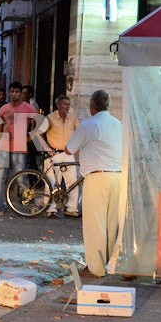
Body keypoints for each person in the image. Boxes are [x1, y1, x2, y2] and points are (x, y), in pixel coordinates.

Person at [65, 90, 123, 277]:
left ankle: (96, 268)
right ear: (108, 106)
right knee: (113, 224)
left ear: (92, 107)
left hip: (97, 178)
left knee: (95, 224)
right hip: (118, 177)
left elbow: (68, 149)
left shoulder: (88, 125)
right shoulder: (118, 125)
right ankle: (112, 265)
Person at [0, 81, 37, 215]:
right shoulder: (3, 109)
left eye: (16, 92)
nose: (14, 94)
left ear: (21, 94)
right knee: (0, 178)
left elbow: (38, 124)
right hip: (3, 147)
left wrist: (30, 137)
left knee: (21, 178)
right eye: (12, 91)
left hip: (19, 148)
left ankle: (32, 204)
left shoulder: (28, 108)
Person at [38, 95, 80, 218]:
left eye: (68, 104)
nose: (67, 107)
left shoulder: (72, 118)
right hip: (54, 154)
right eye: (65, 104)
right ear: (58, 105)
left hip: (68, 154)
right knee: (51, 182)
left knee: (72, 181)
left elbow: (80, 132)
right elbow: (38, 133)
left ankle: (72, 208)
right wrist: (47, 148)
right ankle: (50, 209)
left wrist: (77, 147)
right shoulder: (50, 118)